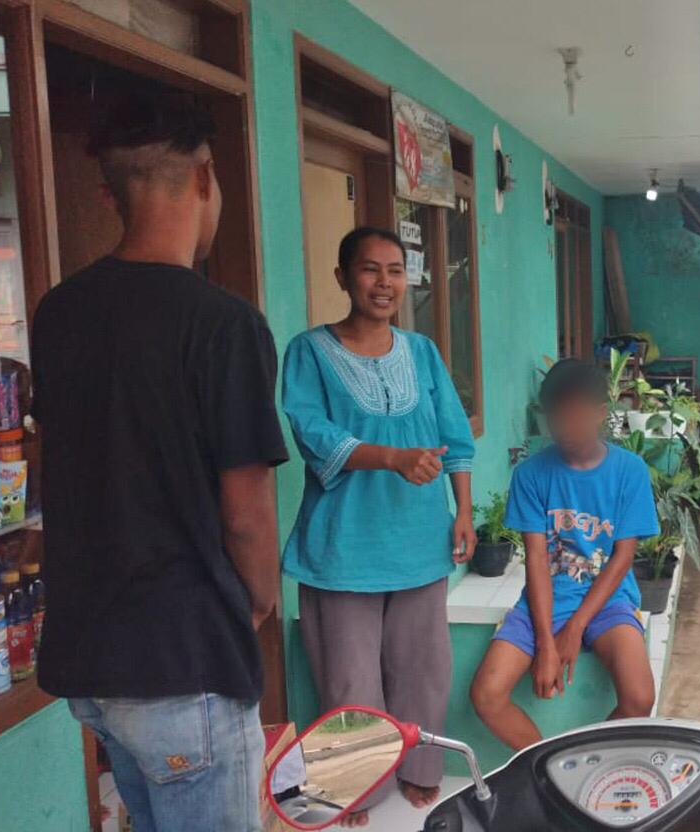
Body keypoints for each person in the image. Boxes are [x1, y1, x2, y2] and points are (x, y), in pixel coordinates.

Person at [33, 92, 287, 832]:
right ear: (205, 177)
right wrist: (257, 601)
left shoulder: (59, 312)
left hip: (92, 660)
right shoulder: (224, 323)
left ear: (110, 193)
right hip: (185, 661)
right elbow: (247, 512)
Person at [281, 226, 476, 820]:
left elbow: (453, 434)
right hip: (344, 545)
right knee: (349, 679)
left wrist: (464, 511)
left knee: (423, 669)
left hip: (419, 538)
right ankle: (357, 785)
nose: (384, 283)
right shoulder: (310, 351)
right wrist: (391, 457)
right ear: (343, 277)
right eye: (370, 269)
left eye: (395, 270)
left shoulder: (422, 352)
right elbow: (314, 433)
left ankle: (419, 770)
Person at [470, 359, 658, 749]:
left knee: (640, 697)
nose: (565, 428)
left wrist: (574, 629)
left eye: (576, 416)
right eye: (557, 417)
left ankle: (583, 764)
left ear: (600, 413)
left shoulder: (630, 471)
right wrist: (545, 643)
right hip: (544, 602)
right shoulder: (531, 474)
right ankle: (550, 768)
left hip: (609, 601)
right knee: (486, 695)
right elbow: (537, 561)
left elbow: (622, 558)